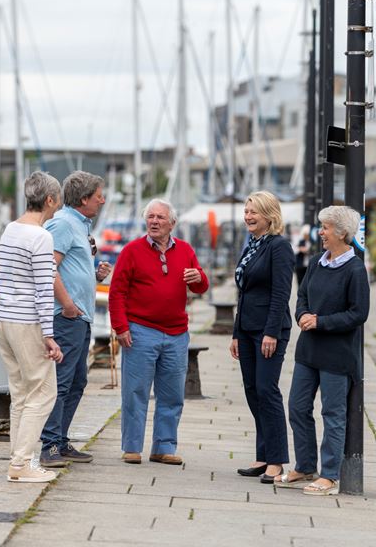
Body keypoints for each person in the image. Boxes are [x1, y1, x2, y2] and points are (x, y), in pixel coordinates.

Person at [274, 206, 369, 496]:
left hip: (337, 355)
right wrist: (302, 314)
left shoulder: (355, 269)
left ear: (343, 233)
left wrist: (321, 322)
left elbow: (359, 313)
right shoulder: (316, 262)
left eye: (326, 228)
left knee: (332, 413)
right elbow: (301, 295)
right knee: (297, 407)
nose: (321, 232)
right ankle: (305, 466)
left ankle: (329, 475)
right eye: (321, 227)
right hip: (308, 350)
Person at [109, 199, 209, 465]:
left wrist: (200, 278)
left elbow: (200, 287)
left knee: (172, 395)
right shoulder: (131, 251)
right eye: (150, 217)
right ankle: (132, 447)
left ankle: (163, 447)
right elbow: (117, 292)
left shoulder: (185, 250)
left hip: (176, 334)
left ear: (172, 223)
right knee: (135, 393)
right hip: (141, 331)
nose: (154, 221)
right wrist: (120, 326)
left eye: (160, 218)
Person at [0, 171, 64, 483]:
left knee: (20, 392)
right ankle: (22, 464)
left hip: (4, 319)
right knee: (44, 391)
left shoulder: (10, 229)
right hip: (27, 322)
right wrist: (49, 335)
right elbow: (43, 288)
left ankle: (18, 459)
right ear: (49, 200)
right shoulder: (41, 237)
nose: (58, 206)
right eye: (57, 200)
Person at [39, 171, 111, 468]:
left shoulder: (79, 226)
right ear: (84, 199)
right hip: (66, 317)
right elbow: (48, 267)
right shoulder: (64, 224)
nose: (102, 200)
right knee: (62, 381)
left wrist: (94, 276)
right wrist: (67, 304)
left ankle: (60, 438)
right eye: (98, 196)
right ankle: (49, 445)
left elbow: (68, 269)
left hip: (79, 317)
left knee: (78, 381)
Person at [230, 191, 294, 483]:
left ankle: (277, 460)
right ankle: (263, 453)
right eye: (246, 211)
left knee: (267, 390)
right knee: (252, 390)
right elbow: (243, 293)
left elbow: (281, 293)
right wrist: (235, 333)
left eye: (254, 211)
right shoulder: (252, 247)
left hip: (269, 331)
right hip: (246, 329)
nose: (248, 216)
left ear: (270, 215)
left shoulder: (279, 247)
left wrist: (271, 332)